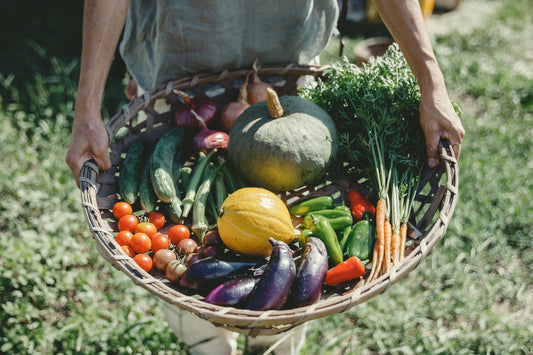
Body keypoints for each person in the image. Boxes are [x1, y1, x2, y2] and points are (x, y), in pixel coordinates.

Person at [66, 1, 465, 354]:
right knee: (186, 284)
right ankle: (208, 346)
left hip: (286, 59)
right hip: (179, 60)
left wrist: (431, 81)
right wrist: (86, 107)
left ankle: (273, 343)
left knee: (286, 302)